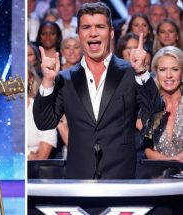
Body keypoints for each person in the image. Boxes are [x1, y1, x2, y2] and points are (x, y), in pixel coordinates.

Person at [33, 2, 161, 179]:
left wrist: (141, 71)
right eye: (86, 27)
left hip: (122, 179)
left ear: (111, 32)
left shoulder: (131, 73)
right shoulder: (65, 79)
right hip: (79, 179)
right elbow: (44, 122)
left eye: (100, 26)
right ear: (79, 34)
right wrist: (47, 81)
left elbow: (154, 112)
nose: (93, 33)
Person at [143, 46, 183, 162]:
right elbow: (147, 147)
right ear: (156, 72)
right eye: (163, 69)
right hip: (158, 177)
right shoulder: (150, 107)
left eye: (175, 69)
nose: (168, 75)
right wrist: (171, 161)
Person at [27, 63, 57, 160]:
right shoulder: (2, 112)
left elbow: (41, 158)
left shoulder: (44, 112)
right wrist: (29, 154)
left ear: (30, 79)